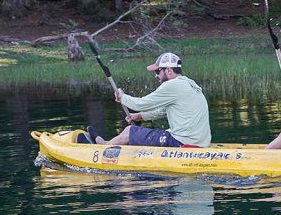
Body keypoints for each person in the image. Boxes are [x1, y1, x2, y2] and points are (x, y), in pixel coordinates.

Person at [80, 52, 211, 148]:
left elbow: (141, 104)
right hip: (200, 142)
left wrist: (122, 97)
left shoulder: (172, 85)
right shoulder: (189, 83)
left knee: (130, 131)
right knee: (136, 131)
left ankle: (104, 146)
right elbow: (163, 111)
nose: (156, 76)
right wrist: (139, 116)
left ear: (169, 70)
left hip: (182, 142)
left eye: (158, 71)